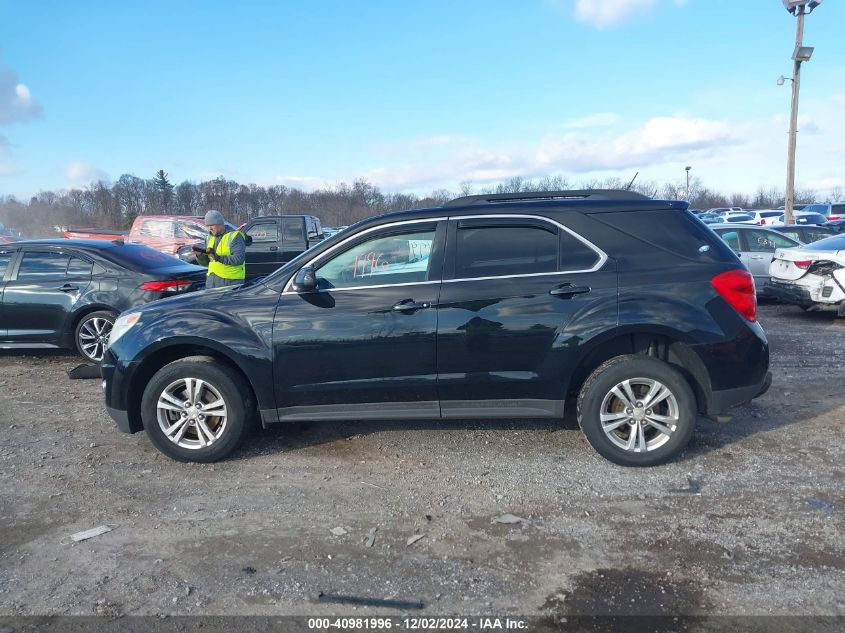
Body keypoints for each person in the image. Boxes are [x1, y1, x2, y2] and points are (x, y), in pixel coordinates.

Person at [192, 210, 246, 288]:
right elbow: (207, 263)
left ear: (220, 224)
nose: (209, 228)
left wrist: (218, 257)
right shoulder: (209, 238)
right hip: (212, 282)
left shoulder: (235, 236)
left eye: (212, 225)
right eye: (208, 225)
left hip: (230, 282)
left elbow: (238, 259)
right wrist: (200, 256)